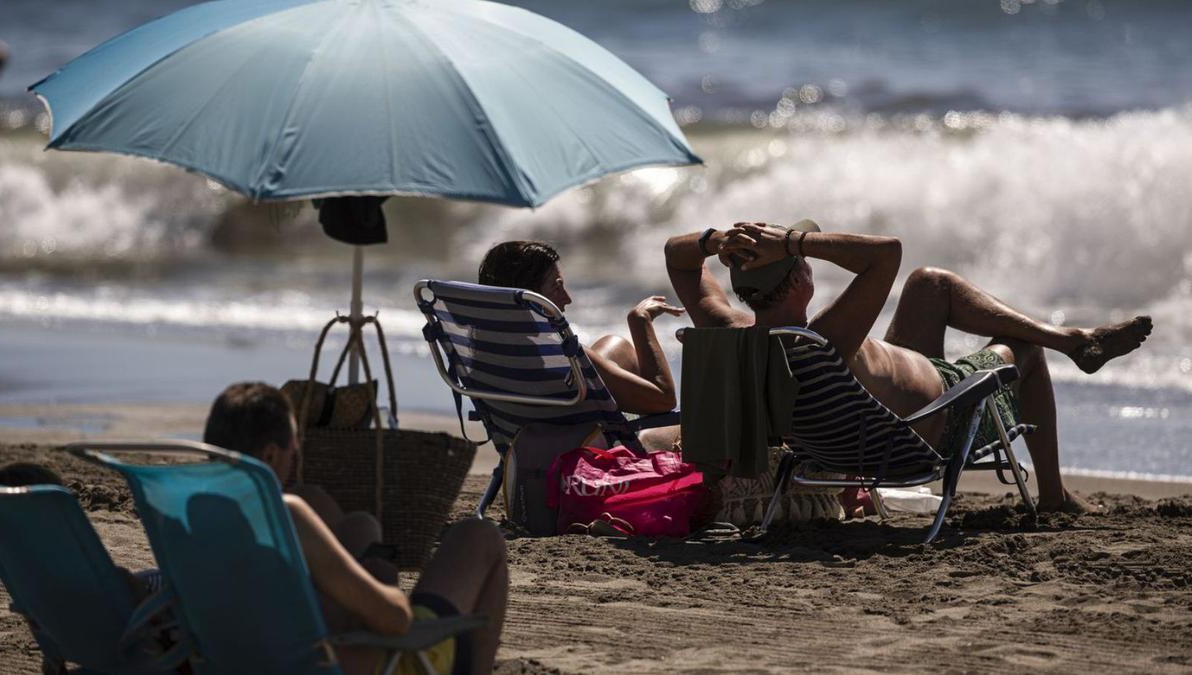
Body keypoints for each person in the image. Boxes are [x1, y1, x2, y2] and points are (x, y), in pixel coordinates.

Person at [665, 222, 1152, 514]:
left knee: (929, 284)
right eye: (804, 265)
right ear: (800, 282)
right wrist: (794, 241)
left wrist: (717, 240)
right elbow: (886, 252)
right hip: (931, 425)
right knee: (1024, 352)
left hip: (856, 427)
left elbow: (676, 256)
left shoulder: (733, 331)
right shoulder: (827, 340)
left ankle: (1074, 341)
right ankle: (1053, 494)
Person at [204, 382, 508, 674]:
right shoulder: (287, 516)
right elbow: (395, 620)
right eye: (292, 453)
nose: (293, 464)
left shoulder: (188, 515)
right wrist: (382, 578)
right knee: (479, 536)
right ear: (270, 455)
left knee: (356, 522)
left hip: (253, 657)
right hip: (380, 663)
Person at [478, 242, 683, 442]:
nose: (567, 299)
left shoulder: (482, 353)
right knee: (685, 426)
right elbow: (663, 400)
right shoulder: (561, 355)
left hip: (522, 451)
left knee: (614, 344)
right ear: (528, 297)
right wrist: (640, 321)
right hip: (582, 458)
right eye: (556, 287)